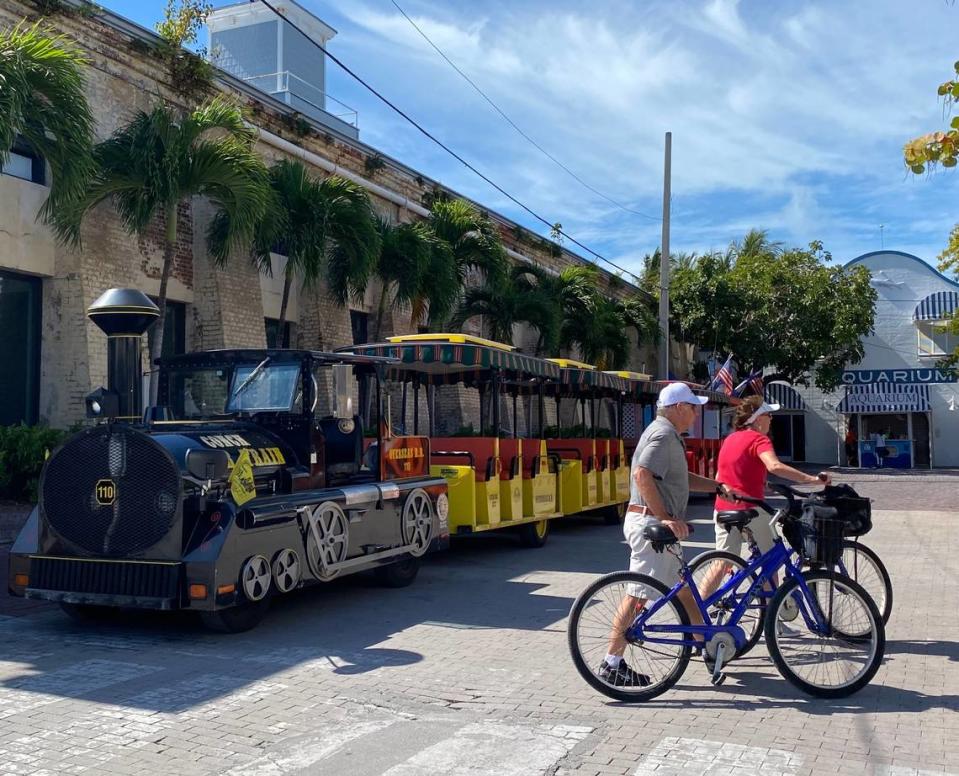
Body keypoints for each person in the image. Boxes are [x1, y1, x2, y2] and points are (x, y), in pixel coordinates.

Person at [600, 382, 734, 687]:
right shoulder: (662, 434)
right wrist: (666, 518)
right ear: (677, 408)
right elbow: (642, 474)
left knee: (684, 590)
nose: (696, 414)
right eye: (692, 407)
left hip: (655, 528)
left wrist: (716, 485)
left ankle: (709, 648)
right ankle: (611, 663)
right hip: (650, 528)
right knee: (638, 596)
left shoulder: (667, 434)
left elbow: (679, 478)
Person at [712, 396, 831, 564]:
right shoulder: (759, 439)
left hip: (722, 509)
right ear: (759, 419)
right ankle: (772, 591)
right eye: (769, 415)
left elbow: (721, 476)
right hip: (750, 509)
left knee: (722, 564)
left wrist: (762, 484)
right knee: (772, 559)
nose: (772, 418)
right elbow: (774, 466)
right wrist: (812, 479)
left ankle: (702, 592)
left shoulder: (730, 439)